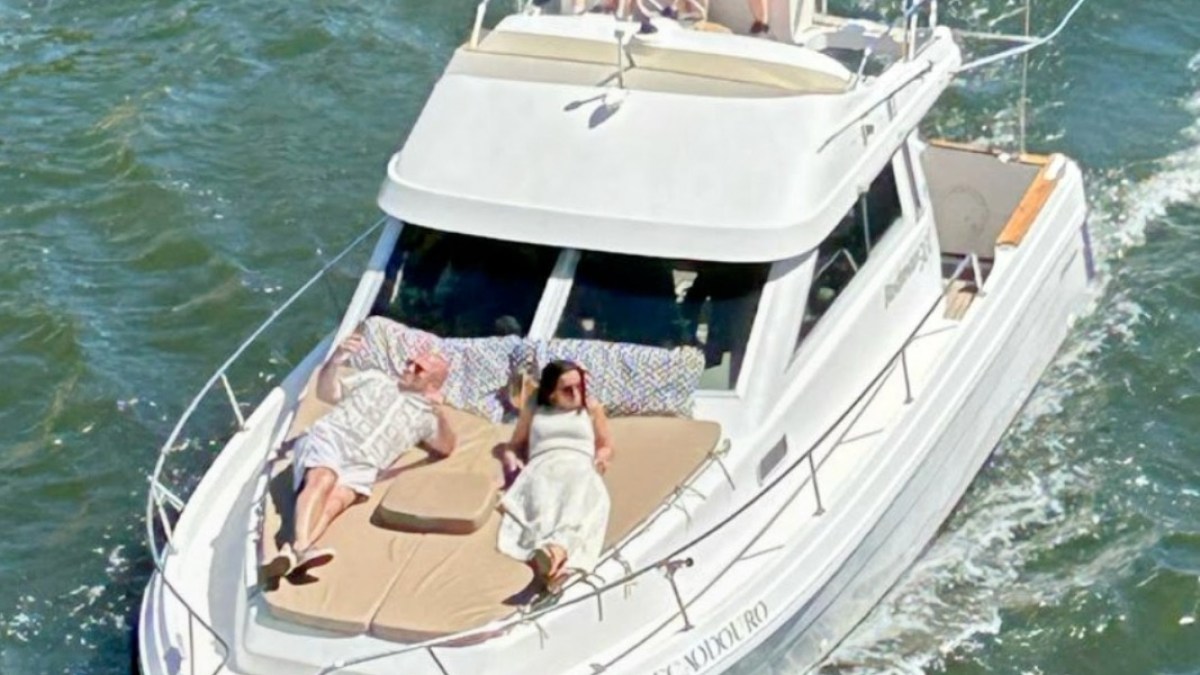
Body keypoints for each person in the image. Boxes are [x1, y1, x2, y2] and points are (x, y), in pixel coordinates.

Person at [262, 332, 457, 580]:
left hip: (364, 464)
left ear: (432, 384)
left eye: (418, 369)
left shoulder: (426, 417)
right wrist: (335, 361)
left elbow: (446, 448)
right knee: (324, 478)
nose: (408, 368)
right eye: (410, 362)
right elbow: (326, 394)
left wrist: (439, 413)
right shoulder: (376, 379)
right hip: (332, 439)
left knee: (336, 502)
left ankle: (290, 556)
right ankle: (302, 547)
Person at [497, 361, 614, 592]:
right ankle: (558, 562)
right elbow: (514, 444)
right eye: (568, 389)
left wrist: (601, 458)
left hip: (579, 464)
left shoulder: (591, 408)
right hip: (543, 465)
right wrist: (511, 461)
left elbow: (606, 444)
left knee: (577, 503)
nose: (576, 393)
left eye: (580, 387)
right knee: (544, 509)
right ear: (551, 393)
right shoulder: (535, 408)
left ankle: (554, 555)